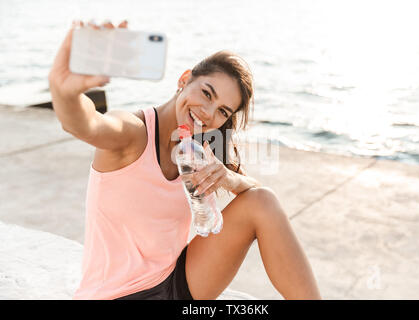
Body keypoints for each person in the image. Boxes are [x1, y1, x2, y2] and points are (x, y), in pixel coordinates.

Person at [48, 19, 321, 300]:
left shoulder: (198, 144)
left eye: (222, 111)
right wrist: (65, 93)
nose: (207, 113)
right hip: (116, 295)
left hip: (175, 282)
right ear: (184, 80)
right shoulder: (133, 132)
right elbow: (88, 124)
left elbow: (253, 190)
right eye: (206, 93)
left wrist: (228, 177)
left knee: (263, 201)